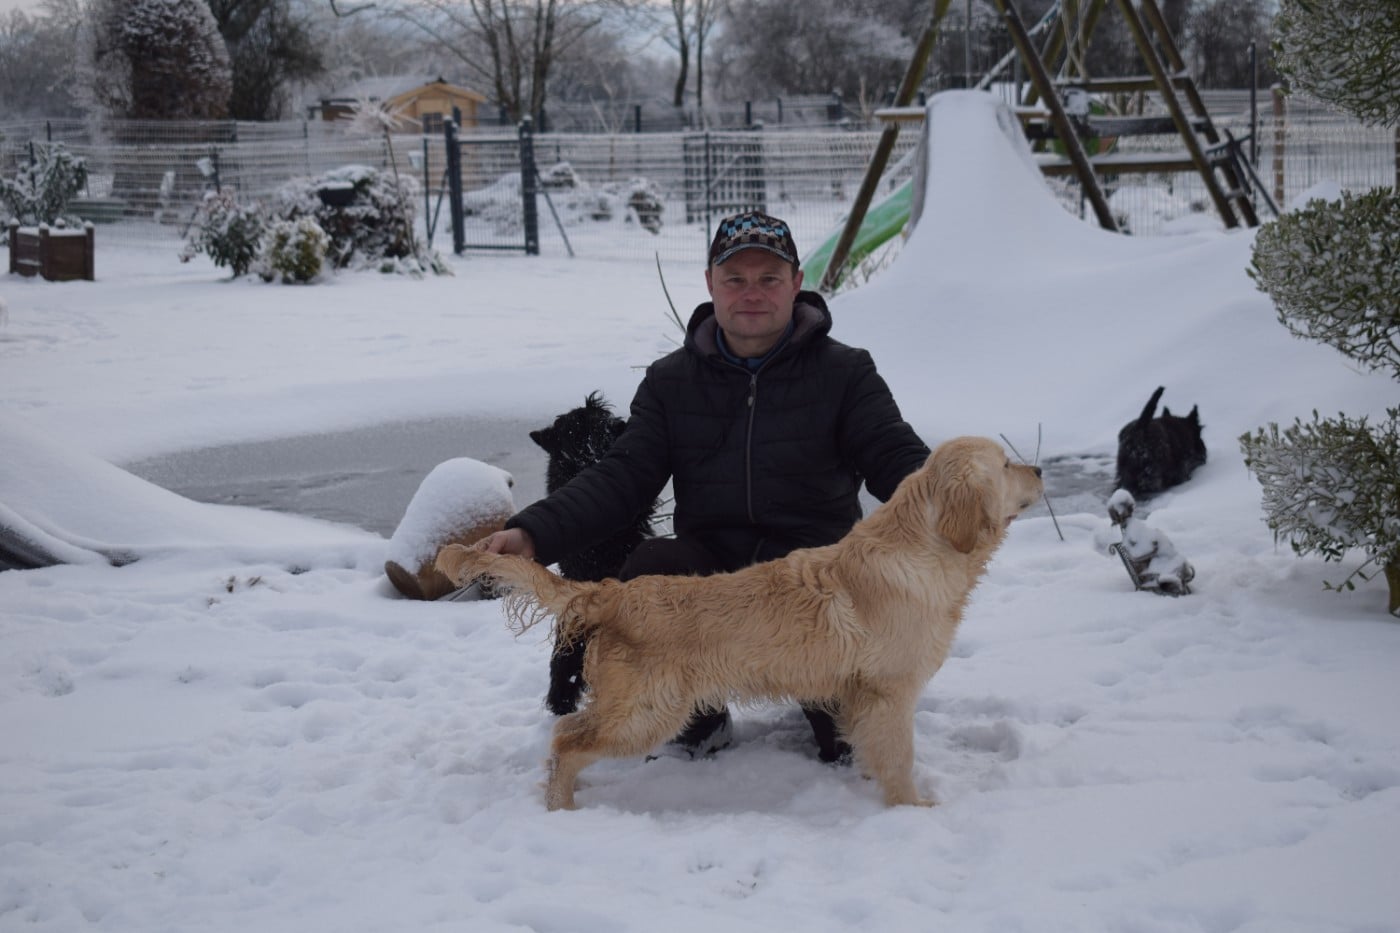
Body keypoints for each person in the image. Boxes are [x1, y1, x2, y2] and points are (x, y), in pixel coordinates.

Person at [478, 210, 930, 761]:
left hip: (817, 581)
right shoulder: (671, 380)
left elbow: (893, 454)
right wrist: (532, 533)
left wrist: (953, 492)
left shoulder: (846, 372)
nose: (752, 294)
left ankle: (830, 699)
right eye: (735, 279)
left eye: (769, 278)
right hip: (712, 574)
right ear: (711, 285)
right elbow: (624, 475)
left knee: (850, 746)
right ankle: (698, 714)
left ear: (796, 283)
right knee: (651, 565)